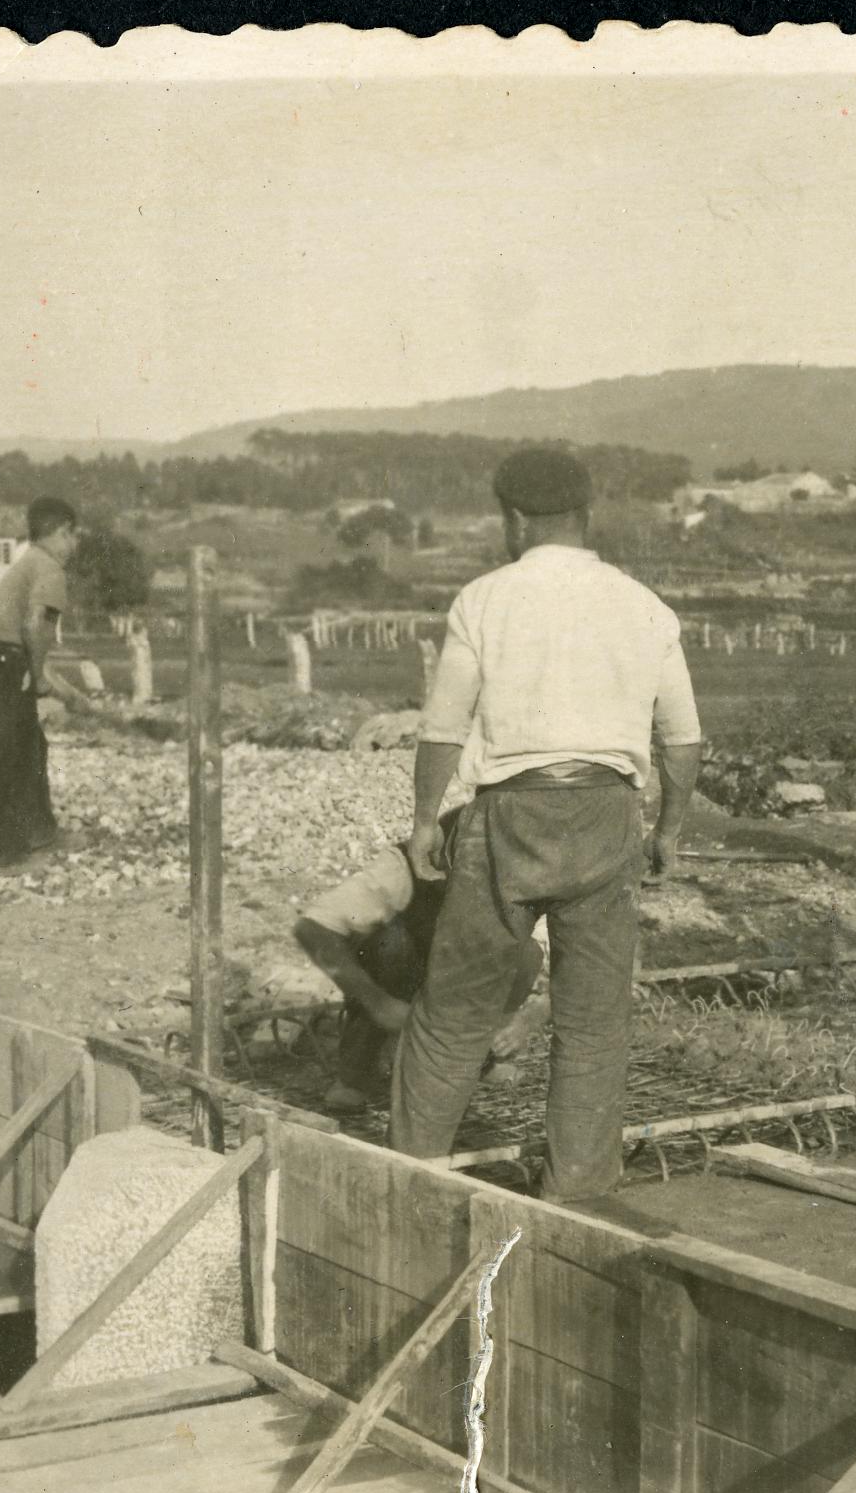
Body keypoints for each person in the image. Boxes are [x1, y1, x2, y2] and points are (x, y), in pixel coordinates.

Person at [392, 448, 705, 1200]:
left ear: (514, 518)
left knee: (453, 1014)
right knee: (593, 1023)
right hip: (607, 810)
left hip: (512, 813)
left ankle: (408, 1182)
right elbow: (685, 740)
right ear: (586, 516)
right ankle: (580, 1193)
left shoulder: (484, 599)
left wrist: (425, 820)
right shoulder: (644, 605)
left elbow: (442, 728)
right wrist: (667, 831)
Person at [291, 789, 546, 1114]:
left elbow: (563, 962)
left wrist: (526, 1017)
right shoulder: (401, 868)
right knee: (389, 942)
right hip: (403, 978)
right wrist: (378, 1003)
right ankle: (358, 1070)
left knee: (525, 954)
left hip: (460, 977)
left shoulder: (522, 876)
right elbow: (312, 928)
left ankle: (480, 1058)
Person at [0, 497, 80, 870]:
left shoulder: (26, 562)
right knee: (15, 761)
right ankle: (1, 856)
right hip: (4, 666)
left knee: (32, 749)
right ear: (63, 531)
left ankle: (39, 833)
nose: (74, 546)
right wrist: (37, 678)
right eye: (72, 536)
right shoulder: (49, 567)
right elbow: (35, 626)